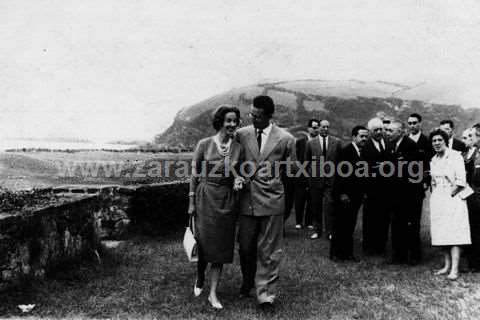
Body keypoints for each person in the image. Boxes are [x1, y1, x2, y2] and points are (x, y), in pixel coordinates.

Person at [236, 95, 296, 308]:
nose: (253, 119)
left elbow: (291, 173)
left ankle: (266, 295)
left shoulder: (286, 139)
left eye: (258, 117)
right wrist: (239, 176)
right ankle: (247, 281)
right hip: (248, 201)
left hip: (272, 201)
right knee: (245, 247)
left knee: (270, 251)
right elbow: (233, 162)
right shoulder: (241, 135)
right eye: (252, 114)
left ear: (270, 116)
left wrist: (285, 203)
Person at [187, 105, 243, 309]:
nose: (232, 124)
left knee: (220, 246)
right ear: (220, 121)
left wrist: (238, 181)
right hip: (206, 197)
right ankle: (200, 275)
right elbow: (194, 175)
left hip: (227, 201)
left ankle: (212, 294)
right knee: (203, 243)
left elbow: (237, 172)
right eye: (228, 120)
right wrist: (191, 202)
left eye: (235, 121)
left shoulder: (238, 147)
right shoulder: (204, 144)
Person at [429, 129, 471, 280]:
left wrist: (449, 196)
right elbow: (433, 182)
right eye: (434, 141)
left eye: (439, 140)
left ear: (445, 141)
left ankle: (454, 269)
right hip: (438, 199)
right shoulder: (433, 159)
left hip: (453, 199)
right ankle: (446, 265)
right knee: (442, 232)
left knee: (454, 233)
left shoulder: (455, 156)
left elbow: (461, 181)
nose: (437, 143)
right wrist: (436, 197)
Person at [330, 125, 369, 261]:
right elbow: (339, 175)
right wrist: (342, 194)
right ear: (354, 137)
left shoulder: (363, 152)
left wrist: (363, 193)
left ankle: (347, 253)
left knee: (350, 225)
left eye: (366, 136)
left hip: (356, 196)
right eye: (361, 136)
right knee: (340, 224)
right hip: (344, 196)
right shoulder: (345, 151)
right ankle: (336, 253)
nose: (364, 138)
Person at [385, 121, 421, 264]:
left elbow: (412, 170)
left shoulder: (410, 145)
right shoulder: (391, 145)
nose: (387, 133)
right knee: (397, 224)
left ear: (400, 132)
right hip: (396, 194)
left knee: (411, 225)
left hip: (410, 194)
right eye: (387, 130)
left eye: (390, 131)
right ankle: (398, 255)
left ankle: (414, 256)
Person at [305, 119, 342, 239]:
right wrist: (308, 177)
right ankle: (317, 230)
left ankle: (329, 231)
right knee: (316, 206)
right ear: (318, 128)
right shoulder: (311, 143)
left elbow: (340, 162)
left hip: (331, 179)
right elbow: (307, 162)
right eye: (323, 127)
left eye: (327, 127)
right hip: (315, 179)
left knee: (329, 206)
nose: (325, 129)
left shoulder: (336, 142)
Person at [362, 117, 393, 256]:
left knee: (384, 218)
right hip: (371, 189)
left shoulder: (388, 143)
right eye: (376, 130)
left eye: (381, 129)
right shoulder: (365, 146)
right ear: (369, 131)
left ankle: (381, 246)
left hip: (386, 189)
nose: (379, 132)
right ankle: (369, 247)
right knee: (370, 218)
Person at [407, 113, 433, 263]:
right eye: (409, 123)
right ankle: (403, 251)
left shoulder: (426, 142)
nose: (412, 126)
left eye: (414, 123)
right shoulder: (405, 141)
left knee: (415, 221)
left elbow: (429, 164)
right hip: (404, 187)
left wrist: (425, 181)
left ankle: (415, 255)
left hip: (418, 187)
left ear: (420, 124)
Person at [294, 119, 319, 229]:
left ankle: (309, 221)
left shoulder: (320, 142)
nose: (316, 129)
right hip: (301, 173)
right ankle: (298, 221)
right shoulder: (300, 142)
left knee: (311, 198)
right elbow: (296, 158)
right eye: (313, 127)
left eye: (317, 127)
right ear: (308, 128)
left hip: (315, 174)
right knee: (300, 198)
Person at [466, 124, 480, 271]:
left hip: (477, 196)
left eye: (473, 136)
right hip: (473, 196)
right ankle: (474, 263)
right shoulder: (475, 152)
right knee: (474, 230)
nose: (471, 139)